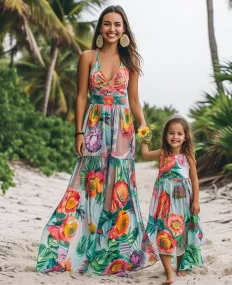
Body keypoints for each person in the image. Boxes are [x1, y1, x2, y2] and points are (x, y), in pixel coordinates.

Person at [36, 5, 158, 276]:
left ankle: (114, 249)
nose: (112, 29)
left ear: (124, 29)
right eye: (107, 24)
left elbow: (134, 101)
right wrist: (78, 132)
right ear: (100, 28)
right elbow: (80, 96)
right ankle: (84, 246)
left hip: (122, 129)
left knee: (119, 187)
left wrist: (144, 125)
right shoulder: (87, 56)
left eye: (117, 24)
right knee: (91, 184)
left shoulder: (131, 61)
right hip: (94, 127)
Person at [141, 117, 204, 284]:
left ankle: (180, 266)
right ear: (165, 135)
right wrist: (144, 139)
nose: (175, 137)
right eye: (171, 133)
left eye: (179, 133)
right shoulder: (163, 153)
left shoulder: (188, 156)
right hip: (163, 202)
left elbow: (195, 180)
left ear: (185, 136)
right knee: (164, 232)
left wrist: (195, 201)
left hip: (183, 202)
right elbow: (145, 154)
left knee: (180, 233)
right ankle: (169, 273)